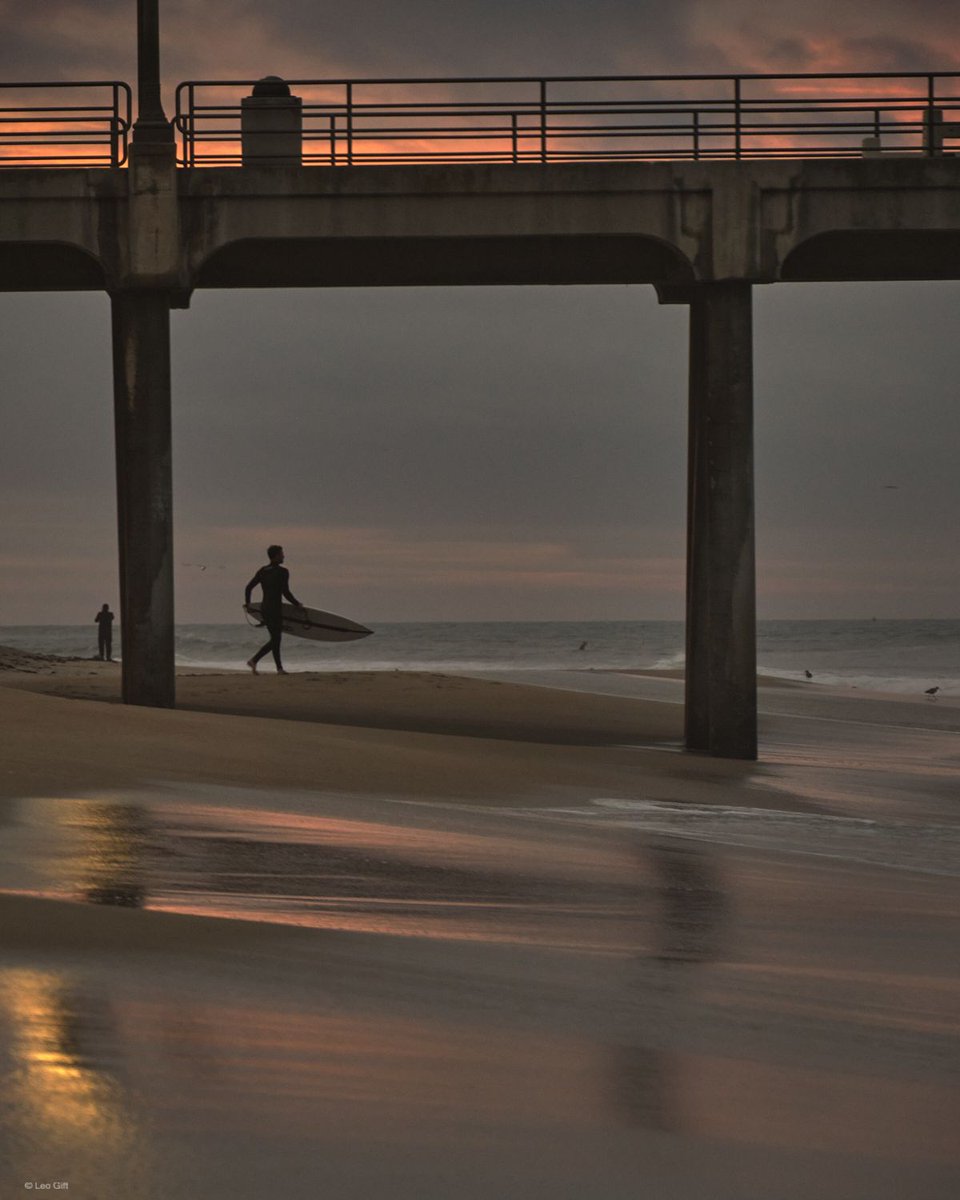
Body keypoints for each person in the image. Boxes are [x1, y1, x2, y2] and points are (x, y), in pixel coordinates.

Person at [243, 544, 304, 674]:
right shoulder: (283, 572)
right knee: (276, 639)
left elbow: (248, 588)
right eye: (282, 553)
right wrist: (297, 604)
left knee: (275, 638)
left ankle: (277, 668)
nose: (284, 556)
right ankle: (256, 661)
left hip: (265, 609)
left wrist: (249, 605)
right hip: (275, 609)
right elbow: (285, 592)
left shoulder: (263, 571)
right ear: (276, 556)